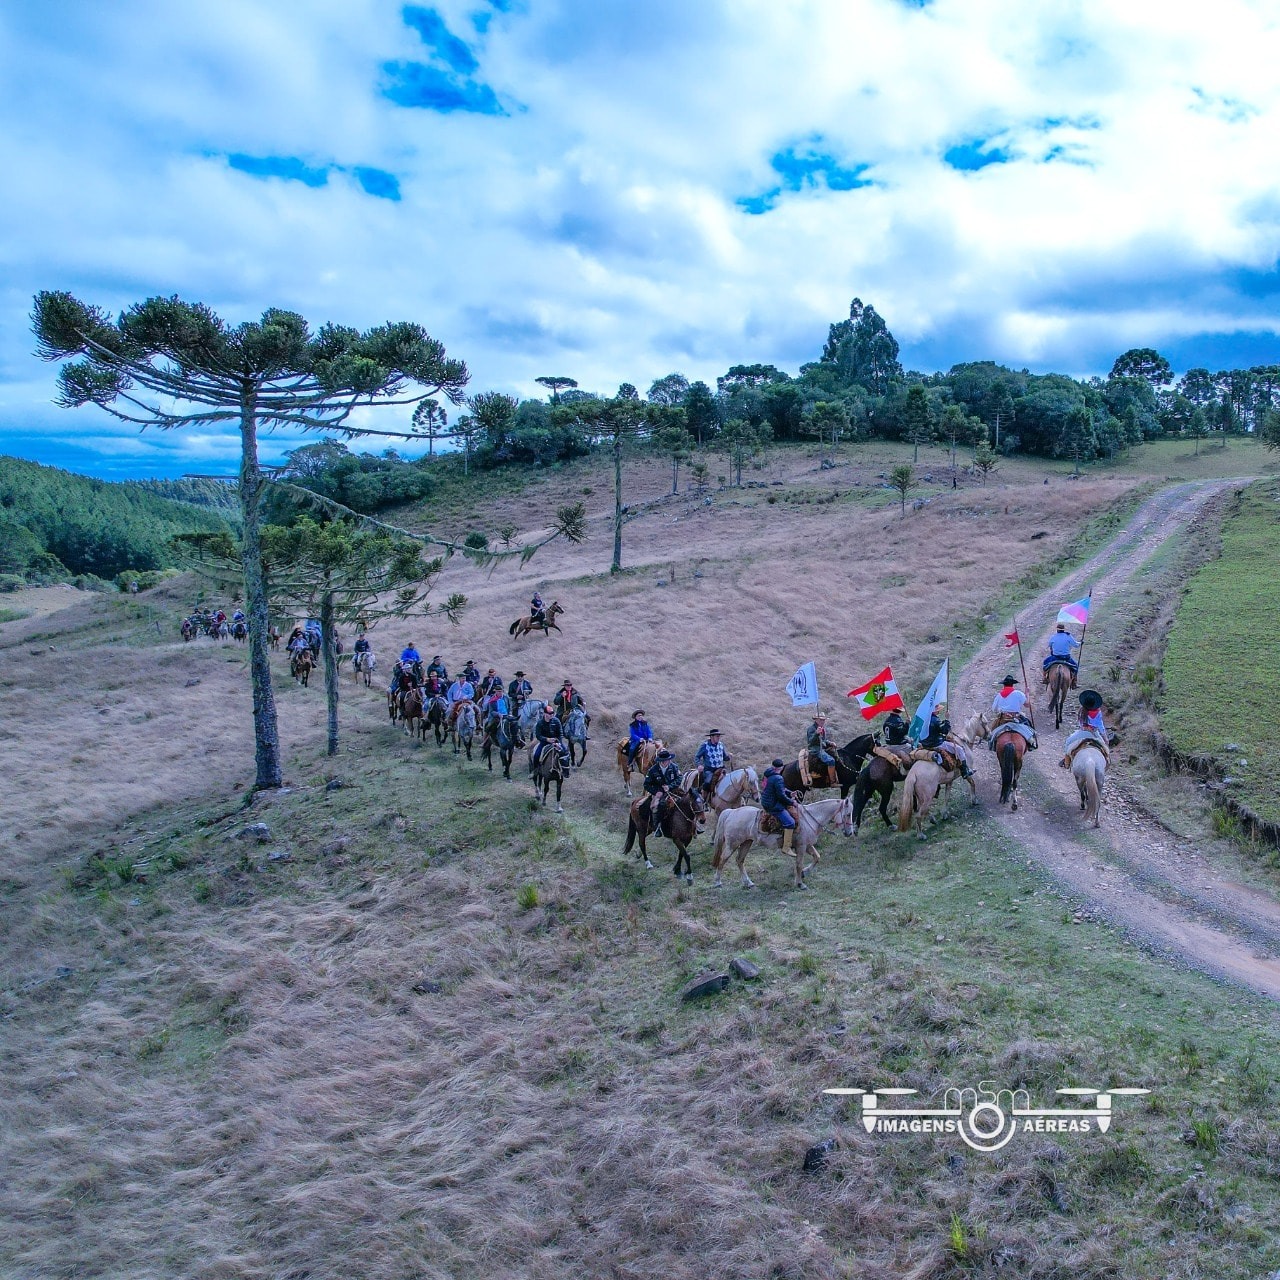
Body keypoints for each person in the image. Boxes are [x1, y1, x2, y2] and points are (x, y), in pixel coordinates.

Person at [761, 757, 799, 856]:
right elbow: (781, 796)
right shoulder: (778, 778)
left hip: (766, 801)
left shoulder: (769, 773)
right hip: (773, 805)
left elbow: (780, 788)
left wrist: (790, 793)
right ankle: (786, 847)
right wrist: (792, 802)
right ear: (781, 768)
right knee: (790, 822)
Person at [642, 748, 682, 836]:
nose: (669, 761)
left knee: (687, 800)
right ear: (662, 761)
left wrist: (670, 786)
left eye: (669, 759)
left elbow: (679, 778)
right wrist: (656, 791)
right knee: (660, 805)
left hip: (673, 790)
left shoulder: (674, 767)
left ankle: (693, 825)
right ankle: (657, 827)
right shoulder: (653, 770)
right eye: (667, 760)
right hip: (659, 792)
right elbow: (646, 784)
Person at [532, 702, 569, 770]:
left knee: (566, 752)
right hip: (544, 742)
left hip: (556, 741)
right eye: (550, 714)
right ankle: (535, 770)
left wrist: (558, 742)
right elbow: (538, 735)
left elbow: (560, 733)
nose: (552, 715)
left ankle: (565, 768)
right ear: (545, 714)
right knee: (536, 755)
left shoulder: (556, 721)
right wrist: (547, 739)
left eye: (552, 713)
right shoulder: (540, 723)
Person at [693, 728, 727, 793]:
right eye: (717, 736)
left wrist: (729, 757)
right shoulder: (705, 745)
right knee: (708, 782)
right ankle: (703, 798)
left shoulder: (721, 745)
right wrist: (699, 765)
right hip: (709, 770)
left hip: (720, 769)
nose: (719, 737)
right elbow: (697, 757)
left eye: (719, 736)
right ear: (711, 736)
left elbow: (724, 757)